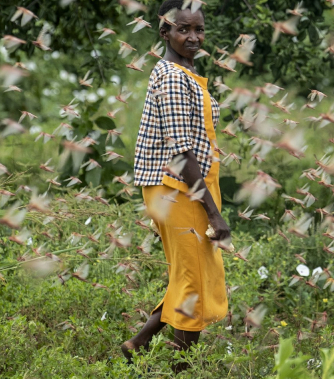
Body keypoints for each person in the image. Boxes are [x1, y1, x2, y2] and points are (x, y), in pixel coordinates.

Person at [122, 0, 231, 372]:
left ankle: (138, 344)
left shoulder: (185, 72)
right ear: (164, 31)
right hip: (175, 188)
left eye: (198, 29)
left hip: (185, 187)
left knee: (189, 274)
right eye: (183, 29)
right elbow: (182, 152)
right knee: (194, 286)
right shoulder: (171, 77)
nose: (193, 37)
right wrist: (214, 215)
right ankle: (179, 370)